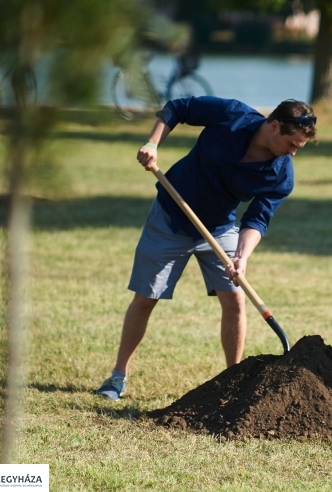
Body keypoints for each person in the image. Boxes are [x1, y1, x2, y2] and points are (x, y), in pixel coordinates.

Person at [96, 96, 317, 400]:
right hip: (171, 214)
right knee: (146, 298)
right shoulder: (232, 116)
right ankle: (117, 377)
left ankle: (233, 382)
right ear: (275, 126)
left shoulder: (280, 173)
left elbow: (258, 218)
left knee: (235, 300)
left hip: (219, 226)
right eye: (292, 144)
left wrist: (241, 256)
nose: (293, 152)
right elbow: (179, 108)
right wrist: (152, 144)